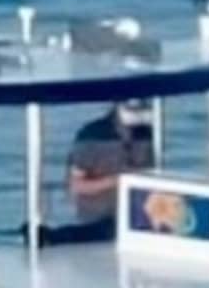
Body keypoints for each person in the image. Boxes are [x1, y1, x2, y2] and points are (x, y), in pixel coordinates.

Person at [43, 100, 155, 244]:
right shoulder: (92, 136)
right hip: (97, 218)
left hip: (136, 217)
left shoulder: (146, 134)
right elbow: (76, 186)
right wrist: (118, 181)